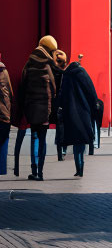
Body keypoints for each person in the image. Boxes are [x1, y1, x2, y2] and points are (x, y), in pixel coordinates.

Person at [19, 36, 58, 181]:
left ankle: (34, 170)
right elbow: (54, 88)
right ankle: (40, 173)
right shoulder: (48, 66)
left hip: (31, 109)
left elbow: (22, 86)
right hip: (44, 111)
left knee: (34, 138)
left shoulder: (28, 65)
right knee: (42, 140)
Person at [56, 54, 99, 177]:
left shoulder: (67, 75)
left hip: (70, 111)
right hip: (84, 110)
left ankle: (78, 167)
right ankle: (81, 167)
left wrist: (61, 107)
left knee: (75, 140)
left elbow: (62, 93)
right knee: (82, 139)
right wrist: (93, 106)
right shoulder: (83, 74)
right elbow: (91, 91)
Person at [52, 49, 68, 162]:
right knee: (62, 128)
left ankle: (60, 151)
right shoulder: (64, 75)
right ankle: (61, 152)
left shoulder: (50, 72)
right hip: (62, 104)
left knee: (59, 129)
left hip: (53, 103)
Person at [0, 52, 11, 176]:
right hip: (3, 114)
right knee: (3, 140)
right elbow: (10, 93)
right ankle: (2, 169)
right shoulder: (4, 72)